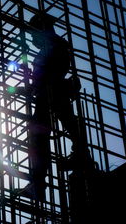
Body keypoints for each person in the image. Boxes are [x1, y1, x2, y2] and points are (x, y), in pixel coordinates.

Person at [26, 12, 81, 200]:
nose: (32, 39)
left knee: (38, 137)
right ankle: (81, 156)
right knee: (68, 124)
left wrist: (37, 84)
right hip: (52, 92)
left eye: (34, 34)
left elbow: (47, 75)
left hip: (49, 94)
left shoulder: (54, 45)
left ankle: (38, 184)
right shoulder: (56, 46)